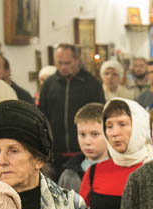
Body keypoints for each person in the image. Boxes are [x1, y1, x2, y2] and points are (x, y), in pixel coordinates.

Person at [37, 44, 105, 176]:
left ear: (77, 60)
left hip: (84, 153)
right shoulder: (49, 84)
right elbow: (42, 116)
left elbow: (100, 116)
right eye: (59, 63)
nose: (63, 67)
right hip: (55, 154)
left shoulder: (91, 83)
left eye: (67, 63)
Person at [58, 103, 109, 192]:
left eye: (95, 134)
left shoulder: (120, 172)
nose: (87, 142)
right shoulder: (68, 176)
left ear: (108, 133)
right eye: (82, 134)